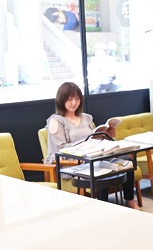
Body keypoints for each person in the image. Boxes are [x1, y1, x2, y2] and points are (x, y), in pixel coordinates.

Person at [45, 81, 139, 210]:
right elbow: (62, 149)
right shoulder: (56, 121)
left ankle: (130, 200)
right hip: (73, 162)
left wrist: (105, 134)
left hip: (93, 156)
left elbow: (94, 140)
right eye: (70, 99)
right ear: (61, 100)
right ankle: (102, 206)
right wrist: (87, 140)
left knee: (127, 160)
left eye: (77, 98)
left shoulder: (86, 118)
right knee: (100, 167)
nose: (74, 102)